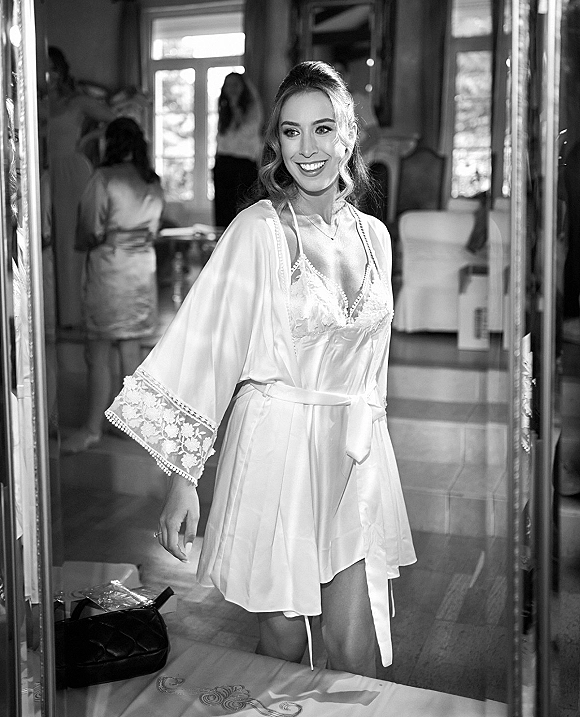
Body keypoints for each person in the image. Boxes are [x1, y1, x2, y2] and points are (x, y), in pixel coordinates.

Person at [105, 62, 415, 677]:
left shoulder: (375, 237)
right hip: (275, 449)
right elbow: (206, 345)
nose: (308, 148)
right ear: (275, 142)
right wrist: (183, 477)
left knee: (354, 644)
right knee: (283, 648)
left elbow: (374, 363)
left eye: (324, 129)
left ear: (349, 136)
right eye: (292, 132)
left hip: (353, 453)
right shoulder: (258, 231)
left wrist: (375, 448)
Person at [61, 117, 164, 454]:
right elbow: (154, 227)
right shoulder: (153, 182)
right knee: (131, 352)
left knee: (98, 351)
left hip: (110, 268)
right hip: (141, 269)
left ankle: (92, 428)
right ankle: (131, 425)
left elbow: (89, 227)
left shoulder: (103, 178)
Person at [46, 46, 116, 329]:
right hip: (44, 173)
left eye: (51, 67)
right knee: (52, 243)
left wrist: (88, 138)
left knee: (70, 241)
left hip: (73, 171)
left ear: (61, 71)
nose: (47, 74)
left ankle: (75, 315)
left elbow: (116, 121)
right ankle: (55, 314)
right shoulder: (31, 98)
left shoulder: (76, 101)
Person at [213, 71, 263, 228]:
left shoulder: (253, 107)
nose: (231, 89)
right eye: (228, 85)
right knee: (223, 213)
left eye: (235, 84)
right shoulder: (223, 108)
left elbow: (245, 132)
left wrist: (235, 105)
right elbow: (223, 139)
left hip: (244, 165)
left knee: (244, 211)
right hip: (223, 163)